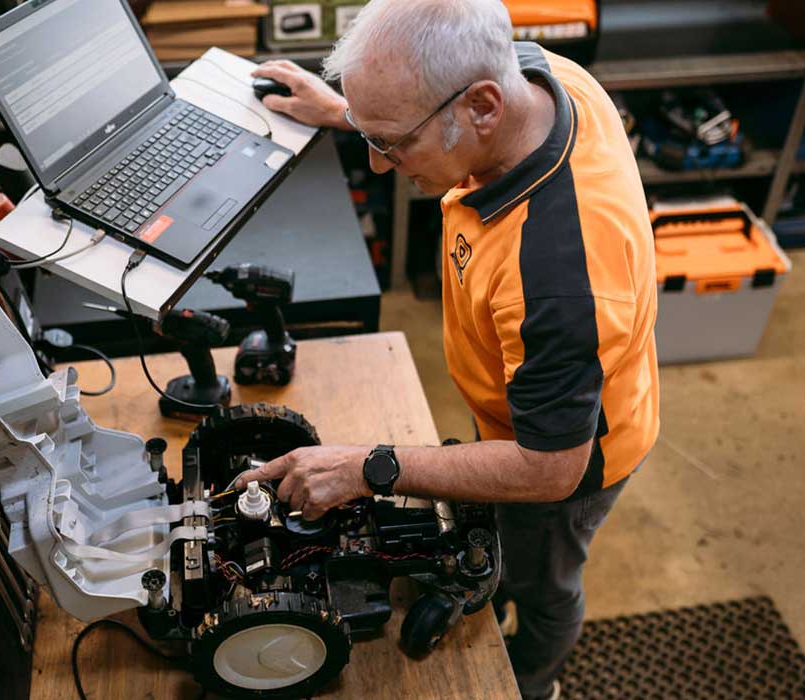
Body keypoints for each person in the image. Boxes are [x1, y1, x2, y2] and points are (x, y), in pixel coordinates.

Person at [234, 1, 660, 698]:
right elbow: (437, 105)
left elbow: (549, 469)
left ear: (484, 108)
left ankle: (533, 679)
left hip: (570, 461)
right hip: (528, 397)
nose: (376, 165)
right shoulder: (541, 76)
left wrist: (369, 467)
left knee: (543, 582)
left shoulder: (557, 277)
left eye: (391, 142)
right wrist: (351, 111)